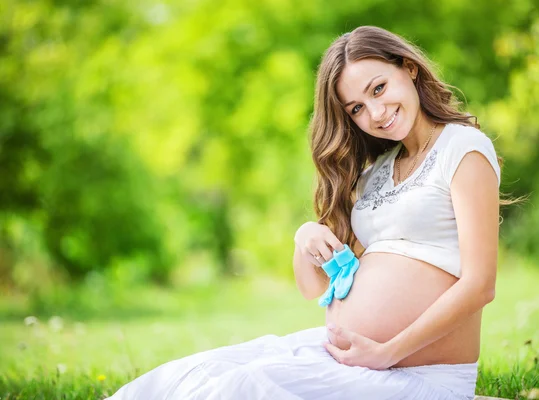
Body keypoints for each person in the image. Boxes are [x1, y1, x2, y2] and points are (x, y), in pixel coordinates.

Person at [107, 25, 509, 400]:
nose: (375, 112)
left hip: (418, 375)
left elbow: (479, 285)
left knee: (244, 387)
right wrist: (305, 238)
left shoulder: (463, 148)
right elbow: (315, 289)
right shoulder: (378, 170)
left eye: (379, 88)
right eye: (356, 108)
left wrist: (386, 352)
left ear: (409, 69)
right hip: (356, 359)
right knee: (196, 373)